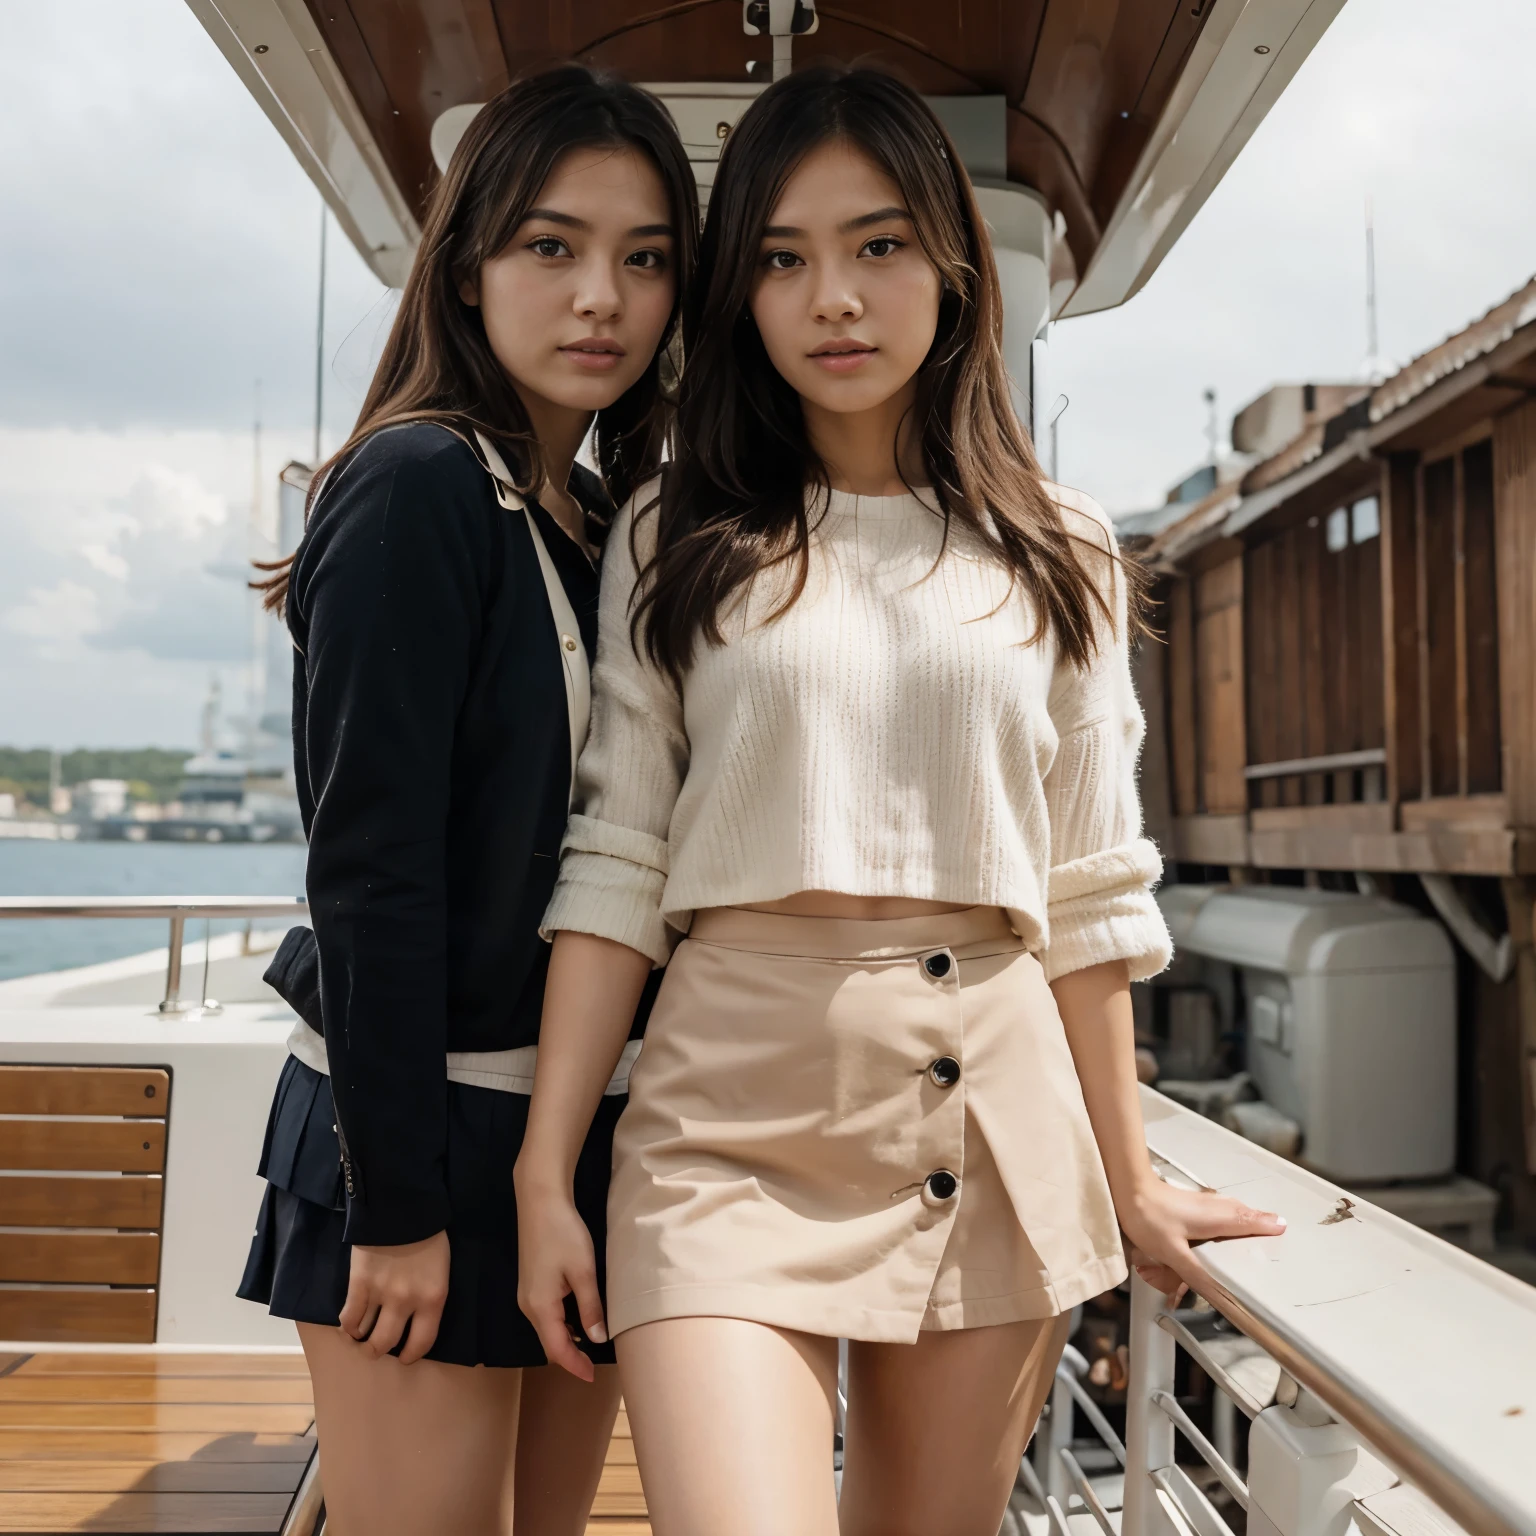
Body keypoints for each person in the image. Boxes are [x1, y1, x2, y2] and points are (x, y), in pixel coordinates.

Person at [514, 66, 1285, 1536]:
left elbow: (1088, 893)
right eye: (784, 259)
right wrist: (547, 1174)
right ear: (740, 293)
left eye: (877, 247)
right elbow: (613, 862)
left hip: (985, 1115)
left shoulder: (1059, 545)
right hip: (720, 1129)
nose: (836, 300)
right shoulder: (678, 530)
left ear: (951, 263)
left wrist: (1132, 1179)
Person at [236, 65, 697, 1536]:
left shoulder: (589, 521)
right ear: (469, 262)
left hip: (572, 1138)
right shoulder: (419, 485)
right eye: (550, 248)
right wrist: (402, 1208)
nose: (599, 300)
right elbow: (368, 872)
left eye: (644, 259)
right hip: (420, 1133)